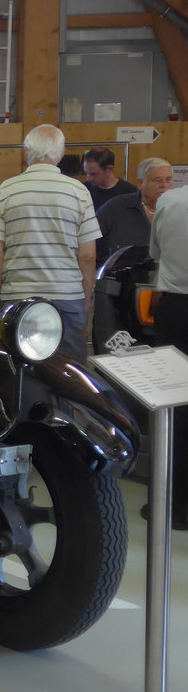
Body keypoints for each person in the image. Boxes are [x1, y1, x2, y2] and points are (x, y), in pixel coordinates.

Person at [0, 124, 100, 361]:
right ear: (61, 152)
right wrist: (85, 298)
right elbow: (88, 256)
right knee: (70, 374)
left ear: (28, 150)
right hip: (68, 295)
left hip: (18, 295)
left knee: (19, 372)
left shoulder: (7, 189)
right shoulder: (79, 191)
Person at [149, 180, 188, 529]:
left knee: (174, 405)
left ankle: (172, 504)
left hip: (176, 308)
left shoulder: (170, 201)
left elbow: (156, 253)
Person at [95, 157, 174, 265]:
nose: (164, 185)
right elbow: (88, 239)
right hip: (123, 278)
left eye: (168, 180)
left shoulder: (179, 210)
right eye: (157, 180)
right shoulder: (116, 207)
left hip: (168, 278)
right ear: (141, 183)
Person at [82, 146, 137, 212]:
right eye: (86, 173)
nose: (89, 178)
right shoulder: (83, 189)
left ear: (109, 169)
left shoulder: (130, 193)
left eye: (93, 174)